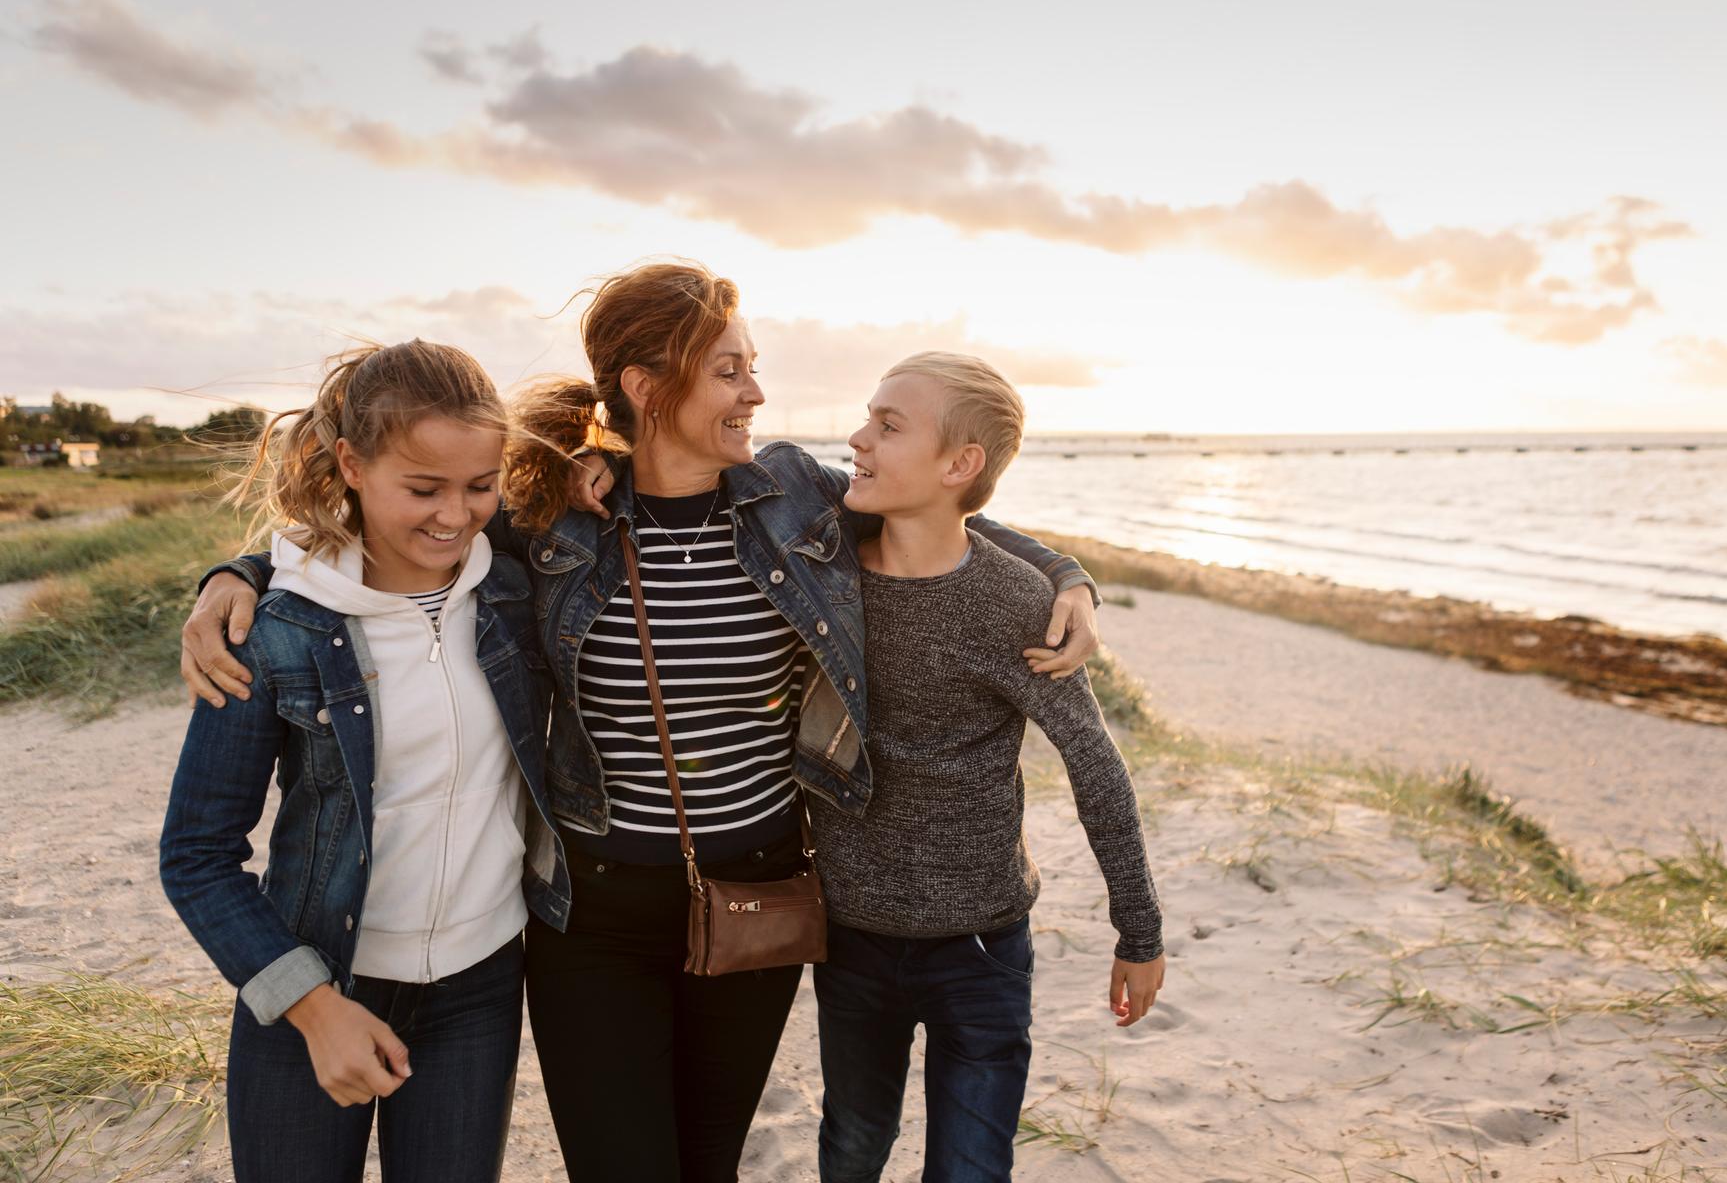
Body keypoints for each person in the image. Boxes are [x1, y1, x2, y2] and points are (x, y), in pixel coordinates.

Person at [179, 261, 1104, 1183]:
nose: (757, 391)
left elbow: (938, 511)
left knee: (707, 1164)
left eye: (753, 365)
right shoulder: (552, 514)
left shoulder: (792, 496)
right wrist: (244, 574)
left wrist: (1067, 574)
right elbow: (378, 532)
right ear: (646, 387)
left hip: (758, 897)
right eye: (730, 370)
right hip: (594, 916)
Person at [159, 340, 570, 1183]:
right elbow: (198, 856)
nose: (455, 516)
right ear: (350, 462)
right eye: (422, 489)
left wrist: (593, 468)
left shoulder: (514, 590)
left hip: (479, 990)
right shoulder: (277, 630)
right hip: (314, 983)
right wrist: (313, 1009)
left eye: (480, 485)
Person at [808, 352, 1165, 1183]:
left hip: (981, 946)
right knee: (852, 1148)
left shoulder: (1014, 603)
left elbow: (1095, 766)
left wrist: (1138, 932)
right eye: (868, 416)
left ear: (959, 464)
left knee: (971, 1169)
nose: (858, 438)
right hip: (850, 938)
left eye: (889, 425)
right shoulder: (821, 570)